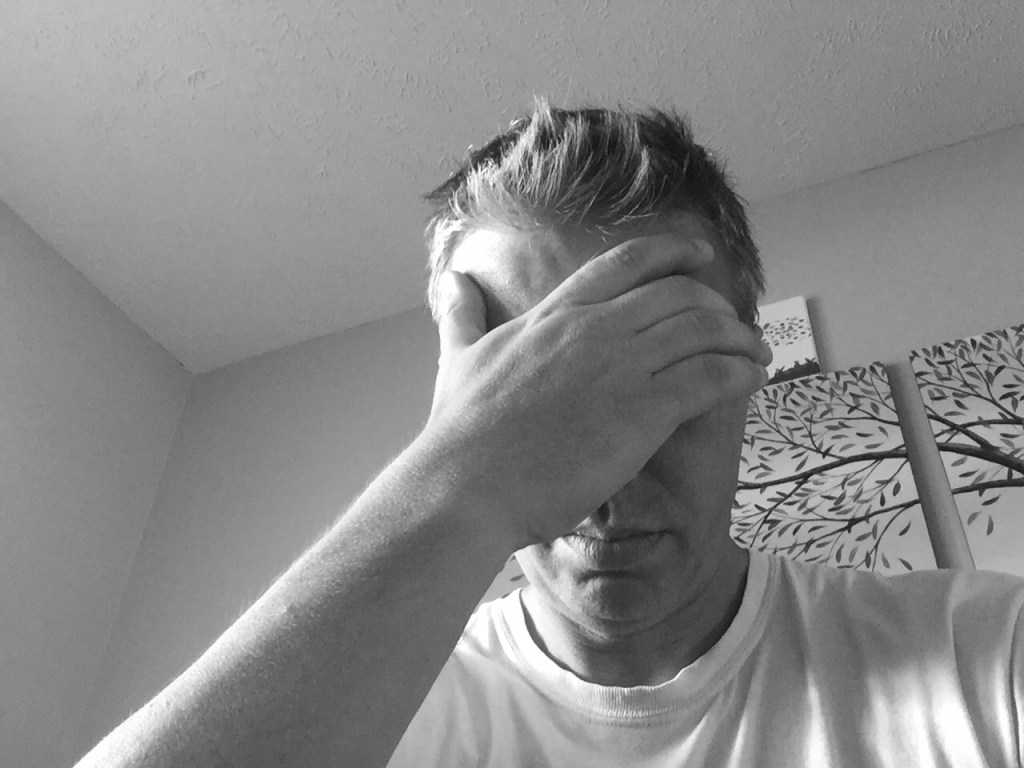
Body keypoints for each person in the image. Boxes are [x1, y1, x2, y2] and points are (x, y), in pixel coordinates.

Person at [77, 100, 1023, 768]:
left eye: (653, 375)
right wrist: (462, 478)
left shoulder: (983, 654)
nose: (604, 477)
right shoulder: (368, 719)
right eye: (537, 398)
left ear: (746, 370)